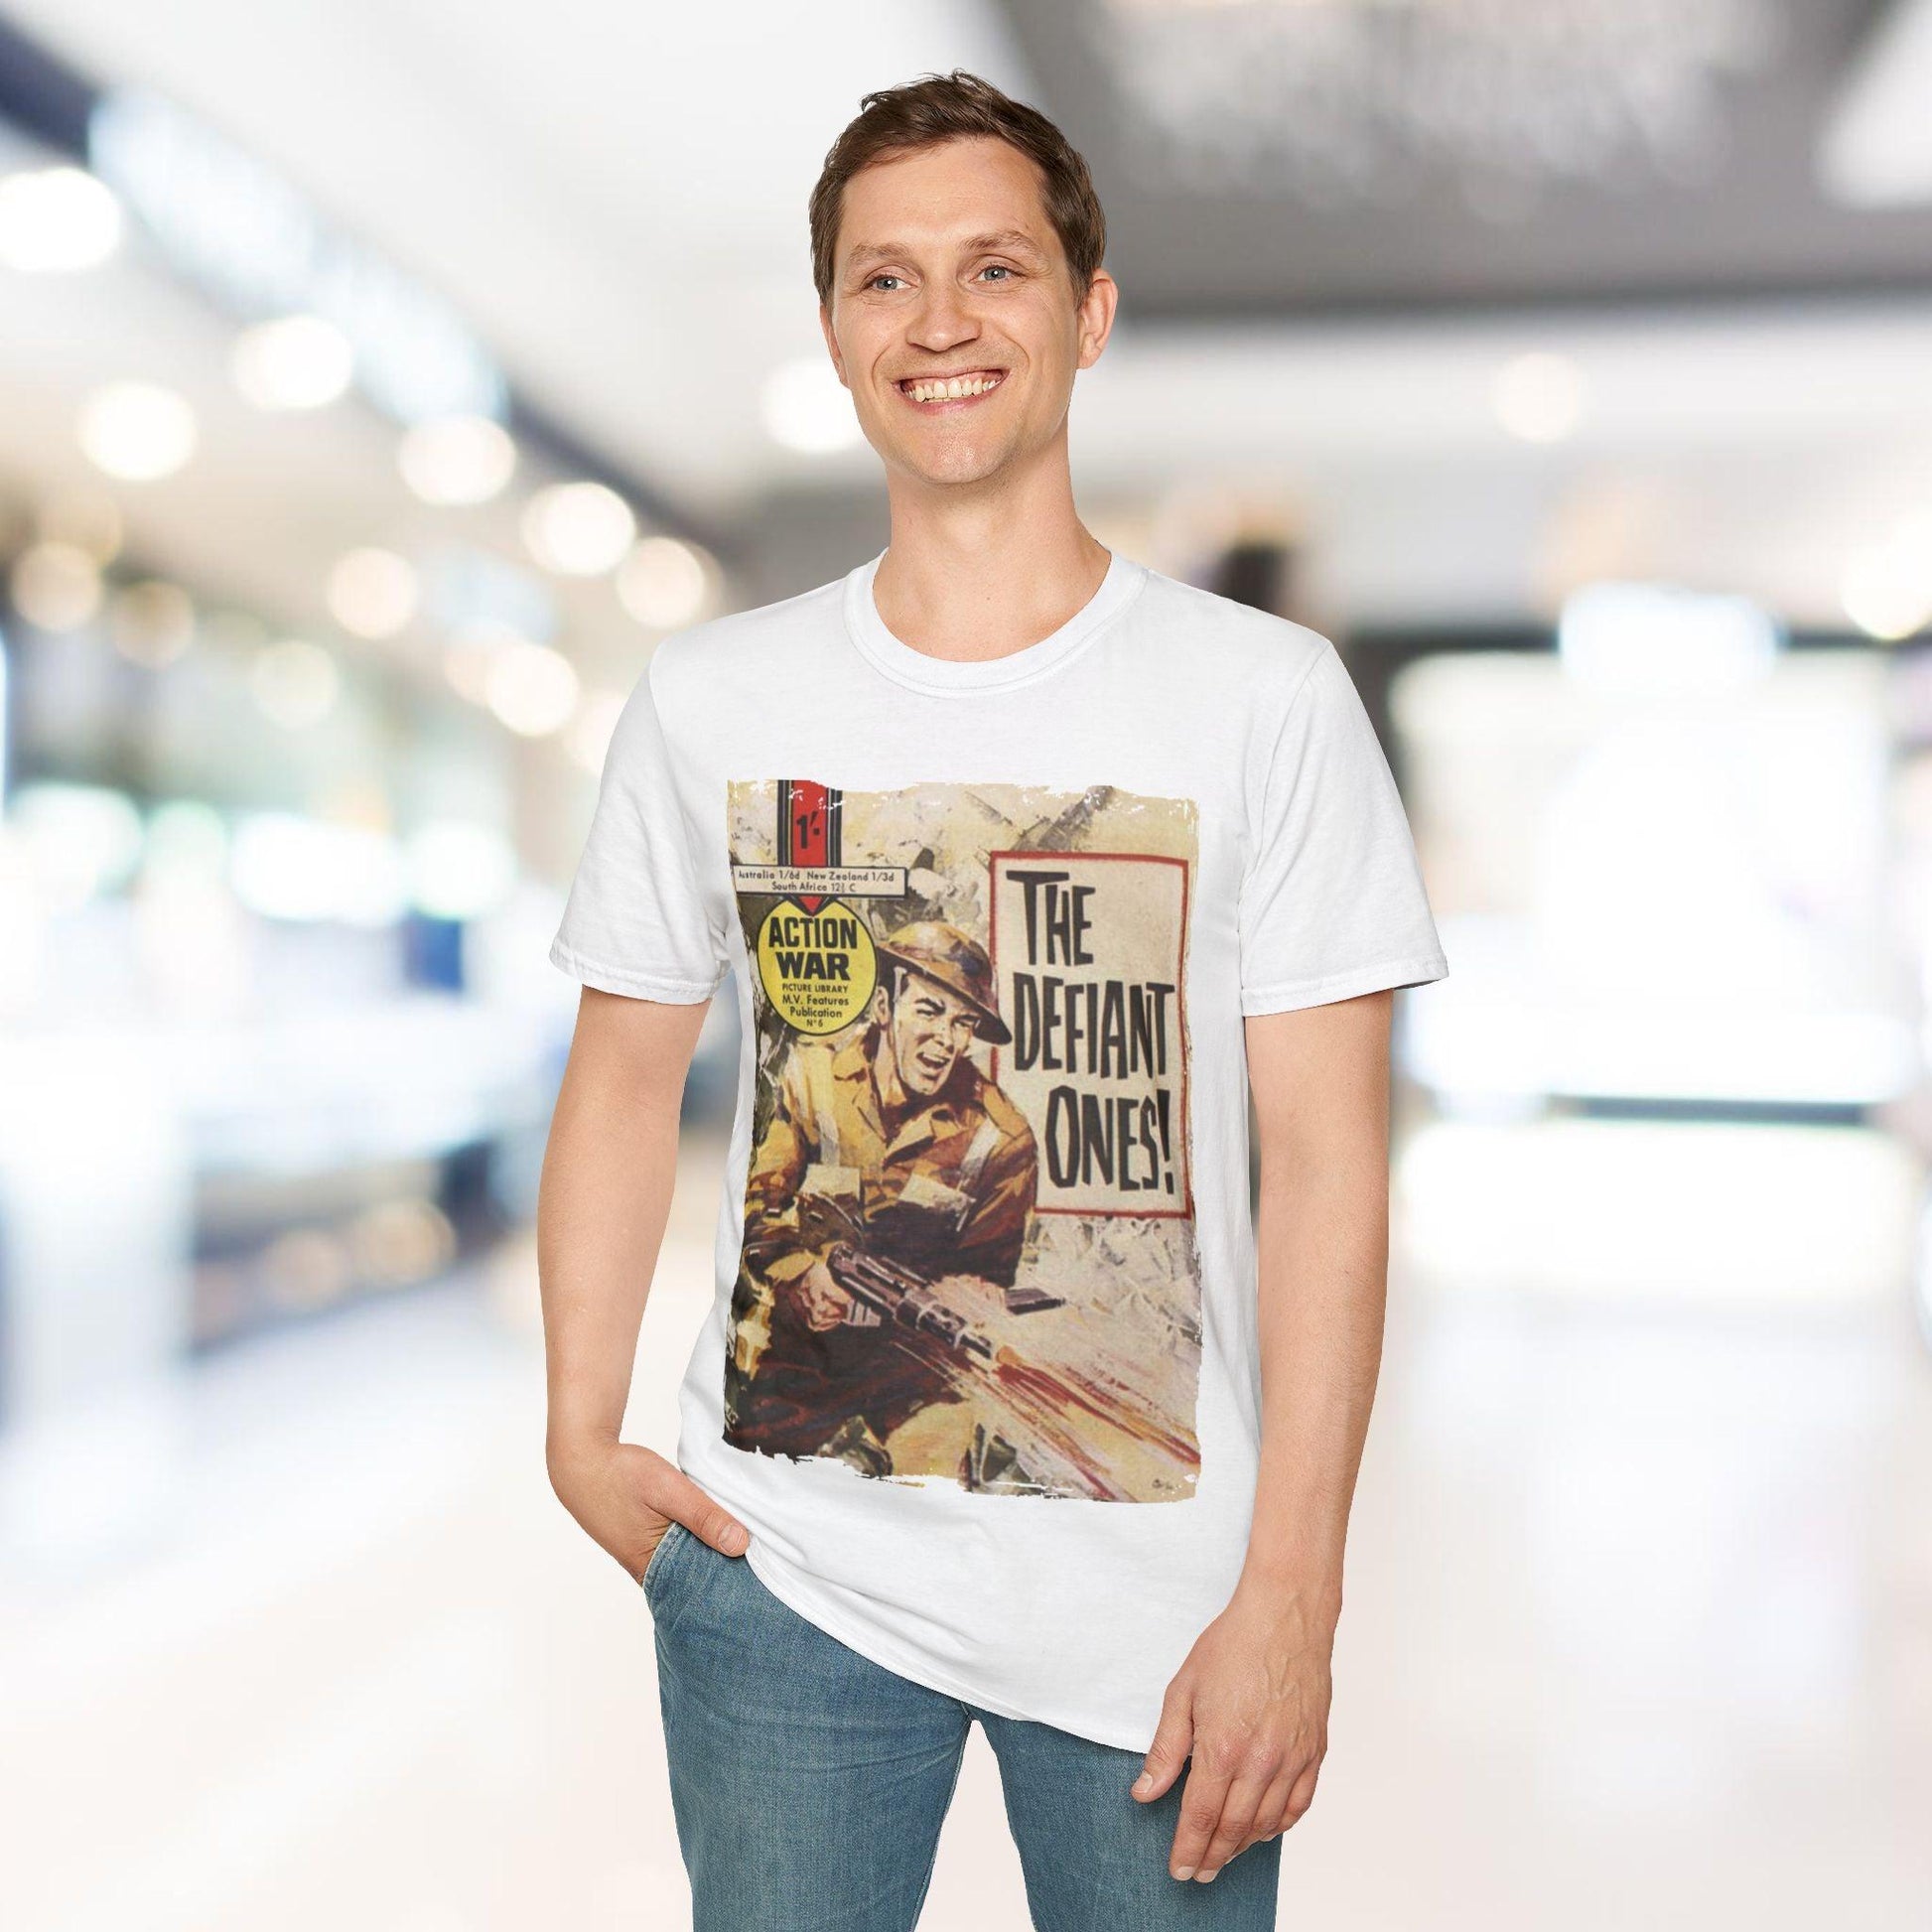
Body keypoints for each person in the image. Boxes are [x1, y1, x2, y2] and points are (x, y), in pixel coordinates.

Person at [539, 69, 1447, 1929]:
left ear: (1086, 312)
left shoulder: (1263, 700)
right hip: (780, 1579)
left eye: (994, 270)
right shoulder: (716, 698)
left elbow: (1331, 1165)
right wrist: (576, 1425)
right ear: (834, 331)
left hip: (1165, 1608)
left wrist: (1295, 1592)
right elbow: (626, 1077)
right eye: (885, 280)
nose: (938, 322)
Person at [728, 921, 1039, 1473]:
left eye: (964, 1022)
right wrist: (805, 1277)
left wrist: (972, 1296)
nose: (949, 1038)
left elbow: (990, 1274)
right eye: (930, 1010)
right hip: (799, 1362)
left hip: (918, 1379)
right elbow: (757, 1210)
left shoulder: (1000, 1137)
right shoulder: (812, 1079)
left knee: (932, 1490)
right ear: (883, 1005)